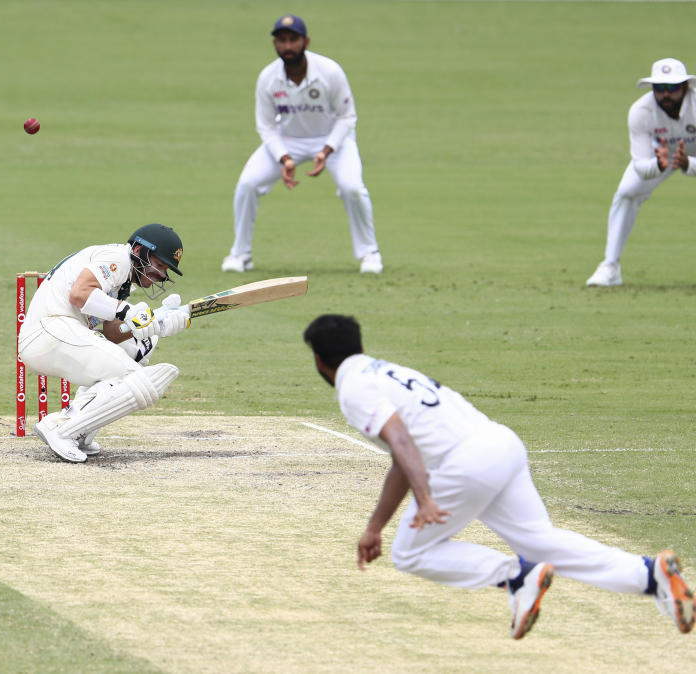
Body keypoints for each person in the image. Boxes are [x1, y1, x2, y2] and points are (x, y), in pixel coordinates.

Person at [303, 313, 695, 639]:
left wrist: (425, 500)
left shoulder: (353, 387)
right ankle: (649, 574)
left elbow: (402, 442)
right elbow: (400, 458)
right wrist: (375, 527)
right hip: (500, 444)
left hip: (464, 462)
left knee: (410, 553)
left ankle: (516, 576)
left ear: (320, 361)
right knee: (539, 541)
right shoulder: (385, 370)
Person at [221, 15, 383, 275]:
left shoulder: (330, 71)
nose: (288, 46)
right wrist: (284, 157)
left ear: (305, 41)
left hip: (332, 140)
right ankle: (241, 253)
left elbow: (347, 117)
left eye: (293, 40)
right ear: (275, 43)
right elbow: (266, 126)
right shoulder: (267, 78)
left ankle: (370, 252)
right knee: (247, 183)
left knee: (352, 187)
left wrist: (326, 150)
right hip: (288, 140)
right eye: (282, 40)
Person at [18, 224, 191, 463]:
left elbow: (113, 334)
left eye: (166, 269)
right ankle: (59, 427)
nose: (162, 275)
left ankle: (79, 430)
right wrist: (127, 311)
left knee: (135, 351)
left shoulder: (123, 284)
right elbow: (79, 294)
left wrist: (157, 322)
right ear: (139, 250)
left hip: (59, 334)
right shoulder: (118, 258)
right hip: (50, 330)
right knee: (134, 377)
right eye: (159, 265)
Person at [587, 57, 696, 287]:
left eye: (672, 88)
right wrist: (658, 165)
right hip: (662, 155)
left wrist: (689, 164)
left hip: (691, 156)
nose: (665, 94)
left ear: (685, 87)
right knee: (627, 191)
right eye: (660, 88)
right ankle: (610, 266)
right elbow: (640, 165)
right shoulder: (640, 111)